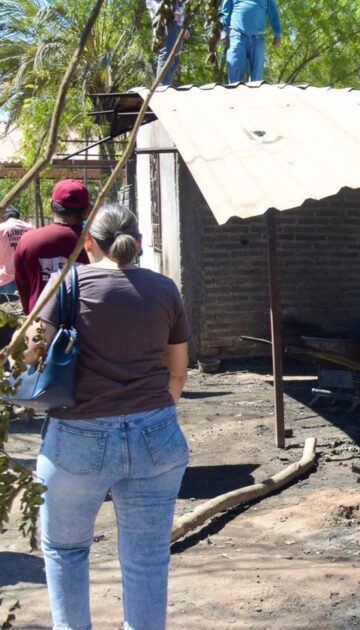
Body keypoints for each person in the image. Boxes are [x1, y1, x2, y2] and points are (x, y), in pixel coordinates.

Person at [29, 204, 191, 630]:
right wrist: (153, 413)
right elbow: (178, 373)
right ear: (138, 244)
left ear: (88, 244)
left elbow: (27, 354)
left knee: (66, 550)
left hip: (77, 439)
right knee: (147, 559)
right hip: (157, 436)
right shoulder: (165, 289)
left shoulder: (67, 284)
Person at [15, 180, 90, 314]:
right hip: (83, 323)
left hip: (40, 323)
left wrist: (29, 314)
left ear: (51, 206)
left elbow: (23, 286)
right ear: (86, 211)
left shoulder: (28, 240)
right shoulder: (95, 244)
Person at [221, 0, 282, 84]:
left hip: (258, 39)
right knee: (234, 74)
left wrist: (278, 33)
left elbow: (274, 12)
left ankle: (254, 96)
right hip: (237, 36)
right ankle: (235, 96)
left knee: (256, 80)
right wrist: (223, 30)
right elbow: (225, 11)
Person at [147, 0, 187, 86]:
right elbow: (152, 3)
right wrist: (168, 13)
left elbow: (183, 3)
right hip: (164, 20)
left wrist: (186, 25)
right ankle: (162, 89)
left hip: (179, 23)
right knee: (167, 56)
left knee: (175, 60)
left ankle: (166, 87)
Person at [0, 206, 32, 295]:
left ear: (3, 217)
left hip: (5, 279)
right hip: (26, 278)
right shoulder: (29, 228)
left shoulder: (1, 228)